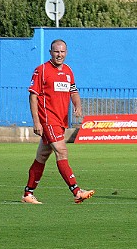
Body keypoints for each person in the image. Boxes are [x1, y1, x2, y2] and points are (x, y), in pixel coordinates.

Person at [22, 39, 94, 204]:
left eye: (62, 52)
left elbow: (73, 91)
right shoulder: (42, 70)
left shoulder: (68, 71)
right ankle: (77, 191)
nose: (59, 55)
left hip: (60, 121)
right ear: (50, 52)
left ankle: (28, 193)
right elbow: (33, 96)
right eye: (56, 51)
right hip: (48, 119)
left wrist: (78, 106)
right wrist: (37, 122)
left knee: (42, 155)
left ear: (66, 53)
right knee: (62, 151)